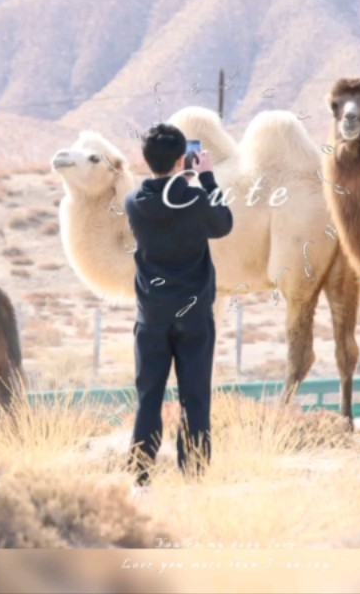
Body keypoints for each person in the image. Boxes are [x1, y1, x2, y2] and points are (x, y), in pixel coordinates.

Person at [124, 122, 233, 490]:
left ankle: (140, 477)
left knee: (149, 398)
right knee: (196, 399)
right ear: (181, 158)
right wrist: (207, 179)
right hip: (195, 316)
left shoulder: (134, 203)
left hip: (152, 317)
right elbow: (224, 224)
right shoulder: (196, 199)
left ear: (145, 159)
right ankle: (195, 478)